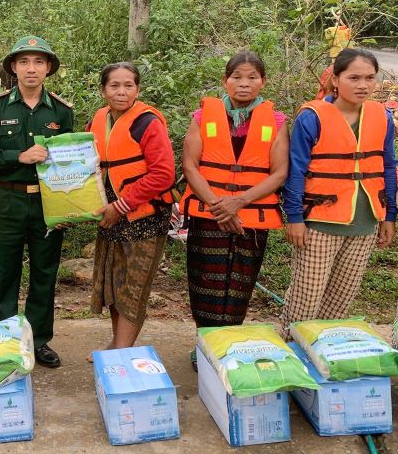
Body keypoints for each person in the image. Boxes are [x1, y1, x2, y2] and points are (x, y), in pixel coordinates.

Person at [180, 51, 289, 368]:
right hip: (209, 215)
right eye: (237, 77)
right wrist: (220, 207)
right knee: (205, 281)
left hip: (250, 217)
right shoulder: (202, 117)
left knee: (239, 284)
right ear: (225, 81)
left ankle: (227, 345)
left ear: (263, 81)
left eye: (252, 77)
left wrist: (237, 203)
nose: (244, 83)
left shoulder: (277, 121)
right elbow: (190, 165)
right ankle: (204, 344)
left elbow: (279, 173)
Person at [0, 35, 73, 368]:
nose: (31, 68)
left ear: (48, 68)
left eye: (38, 62)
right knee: (4, 273)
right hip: (8, 200)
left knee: (45, 273)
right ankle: (7, 341)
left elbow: (69, 162)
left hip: (47, 203)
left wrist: (69, 207)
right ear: (13, 67)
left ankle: (39, 340)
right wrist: (19, 156)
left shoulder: (61, 111)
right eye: (24, 62)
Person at [281, 48, 396, 333]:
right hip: (320, 222)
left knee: (338, 304)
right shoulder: (312, 117)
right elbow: (296, 171)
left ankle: (323, 355)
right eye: (354, 78)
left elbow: (388, 167)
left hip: (365, 223)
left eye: (370, 78)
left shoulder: (382, 116)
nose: (363, 85)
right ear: (335, 79)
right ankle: (292, 350)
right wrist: (294, 217)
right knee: (305, 301)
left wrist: (390, 216)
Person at [87, 62, 176, 361]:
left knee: (133, 287)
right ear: (103, 90)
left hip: (143, 218)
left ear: (137, 89)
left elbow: (163, 174)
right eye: (114, 85)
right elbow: (84, 162)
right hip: (109, 215)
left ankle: (122, 353)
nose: (121, 91)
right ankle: (117, 343)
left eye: (129, 85)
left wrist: (121, 205)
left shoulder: (147, 123)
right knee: (114, 284)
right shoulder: (98, 120)